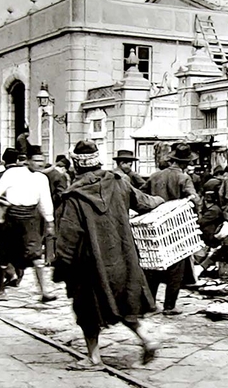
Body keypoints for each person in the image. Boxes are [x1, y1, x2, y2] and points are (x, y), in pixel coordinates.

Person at [53, 140, 163, 370]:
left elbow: (68, 236)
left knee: (87, 311)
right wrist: (162, 201)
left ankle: (94, 358)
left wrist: (61, 264)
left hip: (89, 264)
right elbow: (145, 203)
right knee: (125, 303)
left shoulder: (74, 196)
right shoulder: (119, 182)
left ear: (76, 165)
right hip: (123, 257)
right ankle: (147, 339)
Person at [0, 145, 56, 302]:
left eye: (42, 161)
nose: (40, 164)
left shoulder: (42, 178)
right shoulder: (12, 174)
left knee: (36, 253)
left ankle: (44, 291)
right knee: (5, 254)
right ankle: (0, 290)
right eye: (36, 160)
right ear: (28, 160)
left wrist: (50, 221)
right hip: (11, 218)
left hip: (31, 219)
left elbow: (45, 201)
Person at [142, 142, 200, 315]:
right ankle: (169, 306)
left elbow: (141, 195)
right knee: (176, 266)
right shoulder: (184, 178)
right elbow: (194, 199)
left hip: (154, 226)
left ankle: (149, 304)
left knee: (153, 264)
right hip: (176, 228)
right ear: (186, 163)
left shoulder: (155, 176)